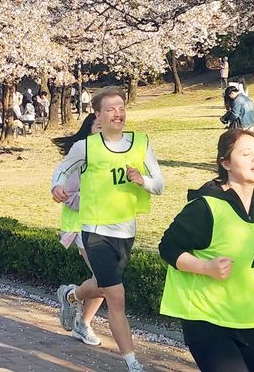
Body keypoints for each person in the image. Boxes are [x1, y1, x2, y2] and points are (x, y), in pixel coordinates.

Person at [51, 87, 164, 372]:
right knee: (116, 295)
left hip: (126, 230)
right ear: (98, 114)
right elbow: (61, 171)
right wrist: (57, 187)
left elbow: (159, 185)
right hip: (94, 231)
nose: (118, 113)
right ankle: (132, 362)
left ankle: (70, 296)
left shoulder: (140, 142)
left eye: (122, 107)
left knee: (103, 285)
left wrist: (142, 181)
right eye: (110, 109)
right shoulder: (85, 147)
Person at [159, 129, 254, 372]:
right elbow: (168, 247)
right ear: (225, 162)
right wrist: (205, 267)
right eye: (246, 153)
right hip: (206, 318)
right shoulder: (206, 206)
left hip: (251, 319)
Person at [51, 113, 106, 346]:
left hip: (110, 226)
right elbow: (68, 195)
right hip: (82, 227)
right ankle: (76, 309)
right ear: (89, 130)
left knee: (105, 281)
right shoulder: (80, 156)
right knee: (106, 280)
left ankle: (75, 306)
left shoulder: (116, 158)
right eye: (99, 127)